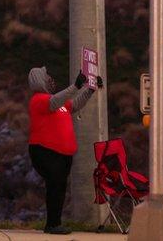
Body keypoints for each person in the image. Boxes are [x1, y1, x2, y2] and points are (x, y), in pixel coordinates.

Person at [27, 67, 102, 235]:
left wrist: (89, 90)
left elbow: (74, 105)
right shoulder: (39, 100)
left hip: (62, 154)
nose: (50, 80)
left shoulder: (57, 102)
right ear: (40, 80)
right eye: (47, 77)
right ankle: (52, 224)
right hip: (45, 151)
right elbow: (56, 101)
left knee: (59, 187)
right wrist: (75, 86)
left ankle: (55, 223)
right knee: (55, 186)